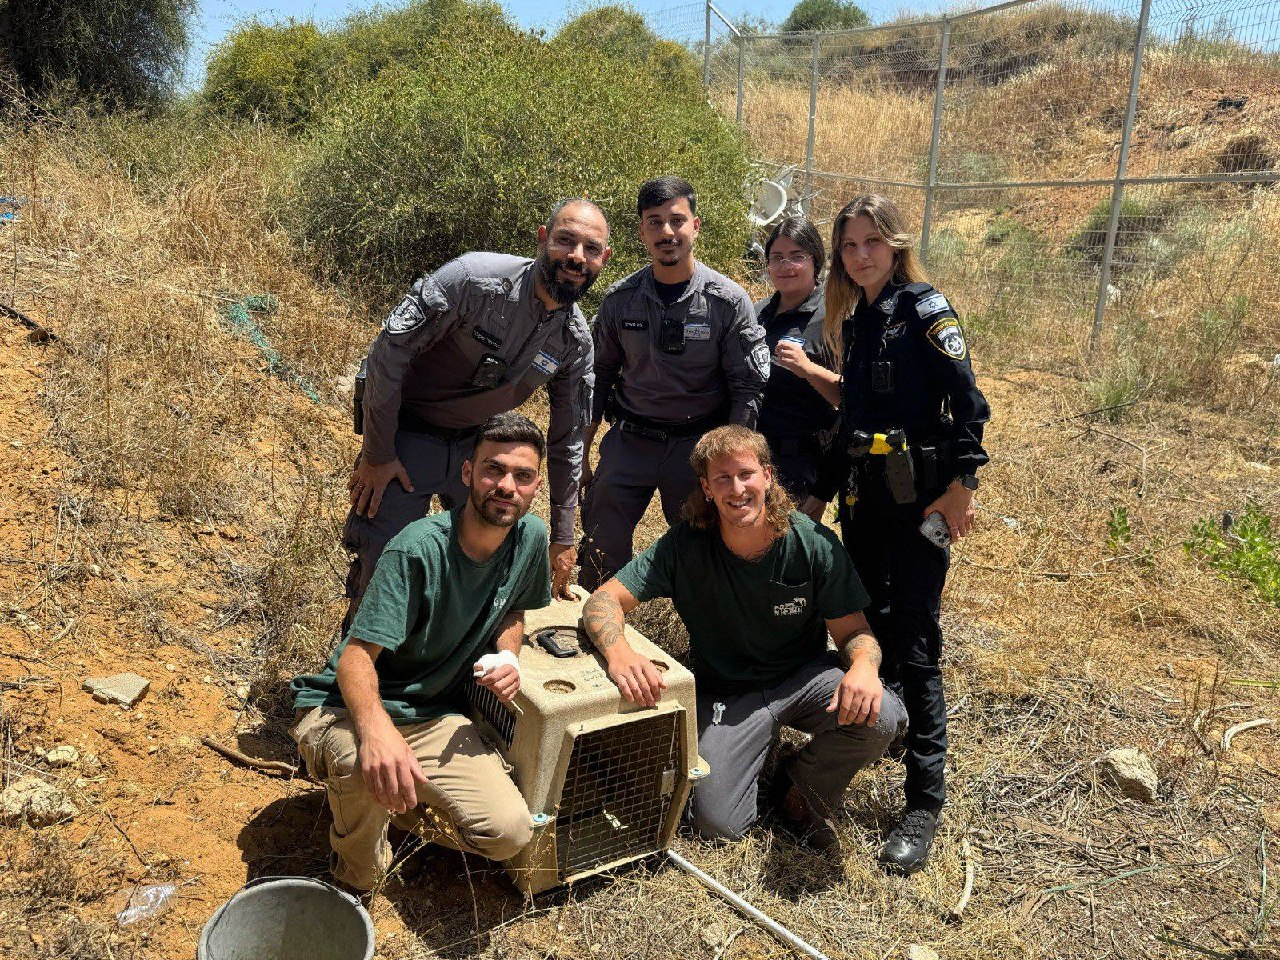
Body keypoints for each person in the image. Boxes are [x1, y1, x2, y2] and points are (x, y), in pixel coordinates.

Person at [581, 425, 907, 852]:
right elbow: (602, 601)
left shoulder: (811, 544)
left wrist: (864, 667)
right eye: (722, 479)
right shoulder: (684, 546)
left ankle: (802, 783)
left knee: (882, 714)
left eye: (747, 474)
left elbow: (855, 632)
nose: (737, 489)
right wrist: (619, 652)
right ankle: (750, 756)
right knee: (717, 825)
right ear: (707, 488)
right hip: (728, 694)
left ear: (768, 476)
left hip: (803, 679)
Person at [803, 194, 990, 875]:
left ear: (894, 243)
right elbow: (850, 416)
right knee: (869, 625)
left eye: (869, 243)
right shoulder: (857, 319)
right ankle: (885, 732)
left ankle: (923, 803)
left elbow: (970, 401)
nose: (859, 256)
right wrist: (818, 497)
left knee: (915, 638)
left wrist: (962, 484)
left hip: (920, 501)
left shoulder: (924, 309)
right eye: (848, 246)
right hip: (866, 499)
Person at [290, 413, 554, 892]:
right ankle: (354, 868)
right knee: (361, 770)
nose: (507, 486)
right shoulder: (416, 550)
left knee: (509, 834)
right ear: (468, 474)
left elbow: (515, 609)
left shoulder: (531, 537)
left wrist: (509, 655)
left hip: (434, 713)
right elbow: (356, 657)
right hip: (346, 709)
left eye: (523, 476)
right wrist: (377, 734)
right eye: (493, 470)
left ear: (537, 485)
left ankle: (392, 801)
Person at [343, 199, 611, 633]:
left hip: (477, 443)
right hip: (405, 433)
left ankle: (450, 669)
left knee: (484, 566)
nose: (577, 257)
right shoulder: (474, 281)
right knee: (385, 565)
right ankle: (358, 676)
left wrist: (562, 533)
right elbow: (387, 356)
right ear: (543, 239)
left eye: (591, 248)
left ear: (604, 259)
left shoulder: (574, 341)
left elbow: (569, 438)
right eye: (566, 241)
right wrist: (376, 453)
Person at [578, 176, 769, 591]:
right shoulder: (620, 300)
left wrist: (730, 461)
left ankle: (708, 647)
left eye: (676, 220)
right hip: (630, 441)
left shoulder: (727, 301)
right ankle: (596, 633)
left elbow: (747, 388)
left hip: (697, 445)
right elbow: (598, 378)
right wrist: (582, 450)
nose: (667, 232)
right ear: (642, 231)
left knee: (707, 553)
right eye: (655, 221)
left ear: (695, 226)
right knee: (598, 548)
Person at [755, 216, 841, 501]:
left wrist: (808, 369)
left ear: (816, 260)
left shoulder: (834, 317)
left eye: (797, 257)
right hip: (752, 455)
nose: (785, 266)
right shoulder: (755, 313)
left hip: (802, 464)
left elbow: (850, 397)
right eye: (776, 257)